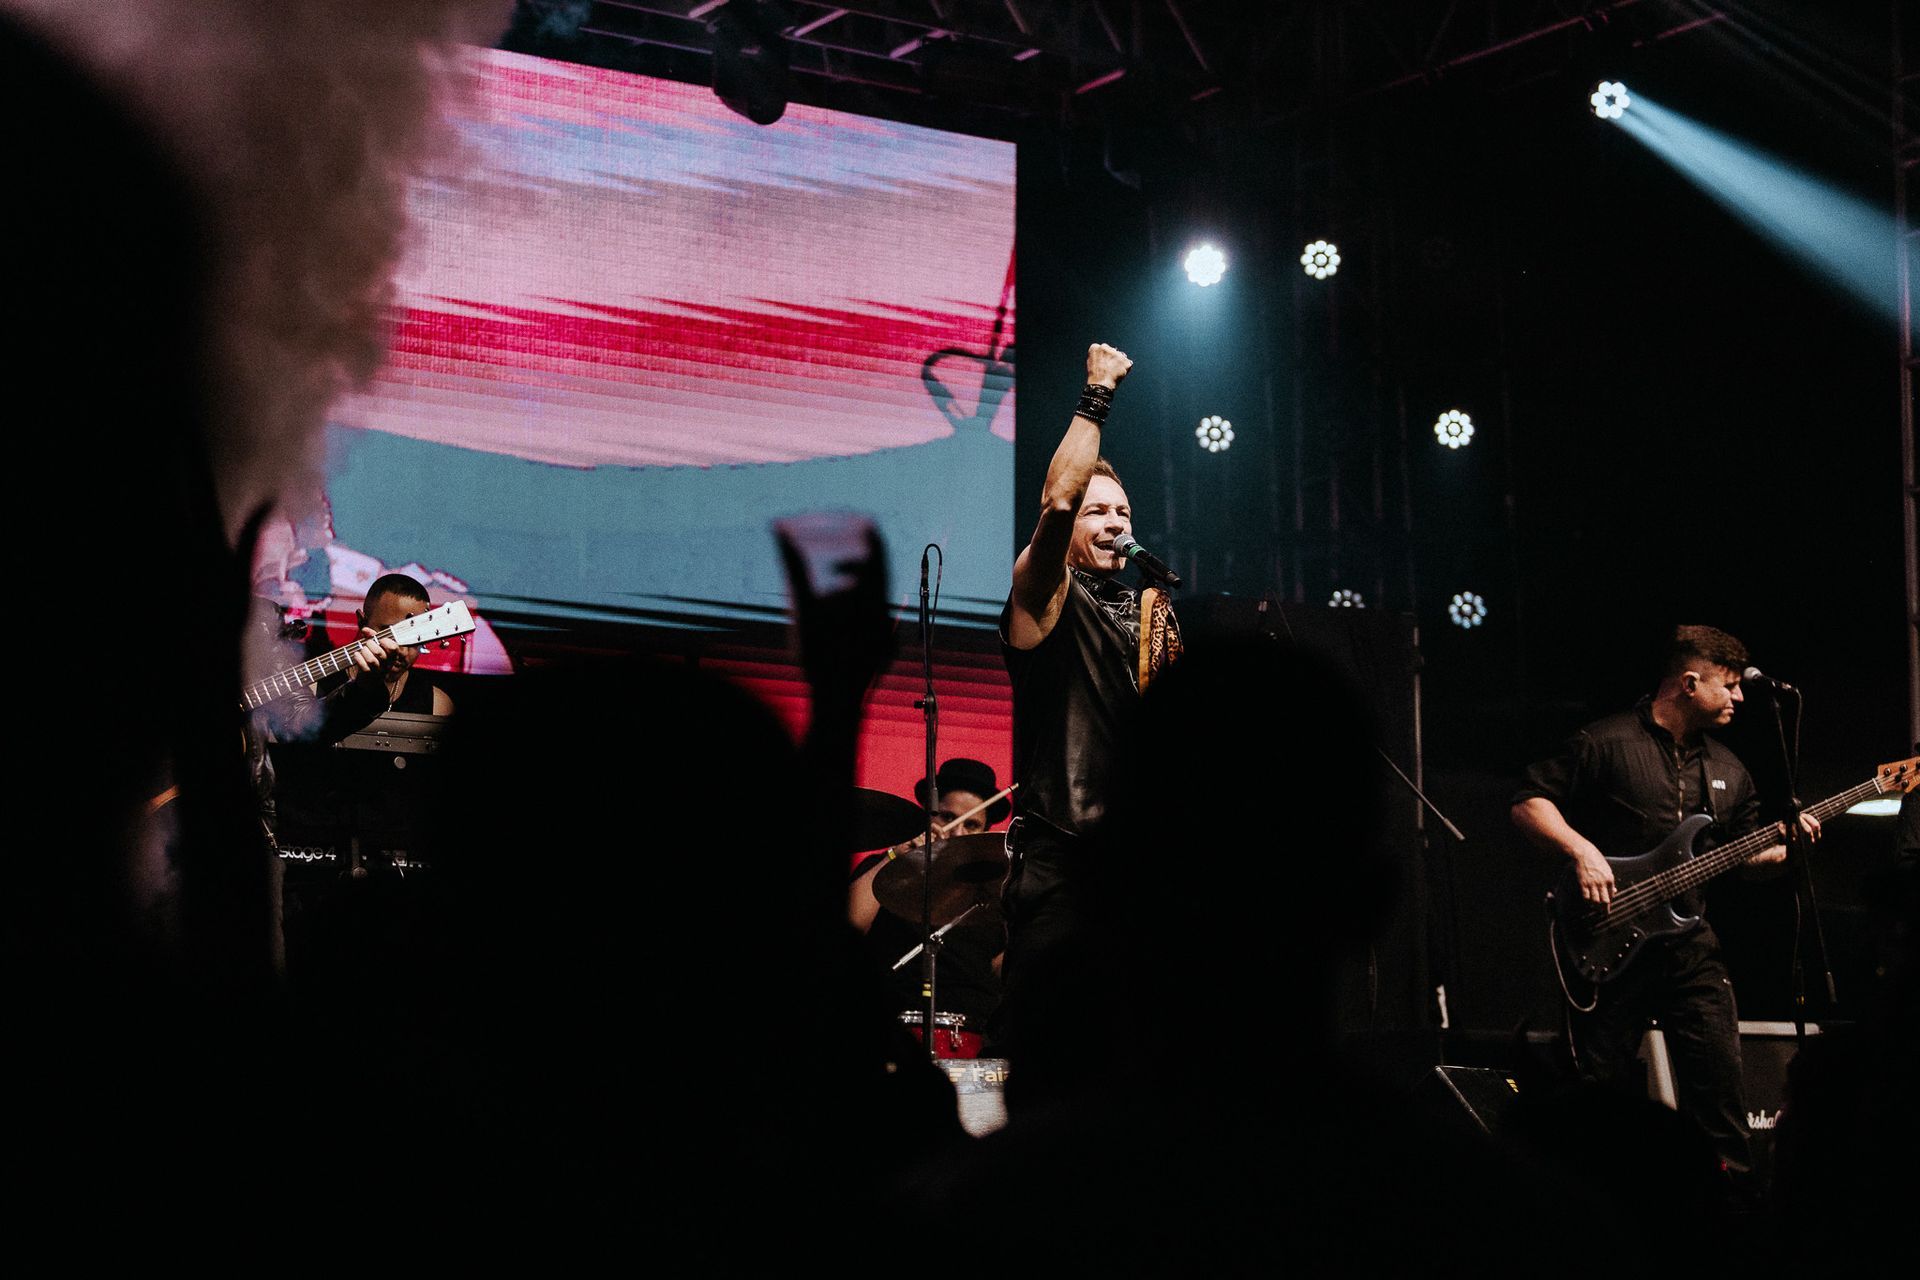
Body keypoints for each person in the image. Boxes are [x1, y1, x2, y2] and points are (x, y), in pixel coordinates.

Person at [1511, 624, 1819, 1201]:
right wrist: (1582, 852)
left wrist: (1787, 848)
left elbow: (1750, 859)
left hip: (1690, 948)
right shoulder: (1604, 742)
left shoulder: (1728, 767)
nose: (1740, 698)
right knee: (1599, 1095)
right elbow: (1528, 803)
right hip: (1606, 944)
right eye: (1728, 686)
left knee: (1720, 1097)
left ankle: (1731, 1221)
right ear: (1688, 682)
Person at [997, 341, 1180, 1104]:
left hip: (1141, 875)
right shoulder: (1045, 597)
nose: (1112, 522)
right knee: (1048, 1057)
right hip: (1062, 867)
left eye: (1124, 512)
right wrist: (1097, 394)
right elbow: (1058, 501)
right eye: (1100, 511)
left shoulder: (1153, 613)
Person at [849, 758, 1010, 1039]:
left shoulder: (995, 886)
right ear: (927, 816)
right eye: (947, 817)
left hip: (975, 1031)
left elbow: (1003, 969)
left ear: (985, 831)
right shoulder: (889, 867)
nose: (958, 833)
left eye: (971, 825)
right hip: (892, 1028)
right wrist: (893, 857)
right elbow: (849, 924)